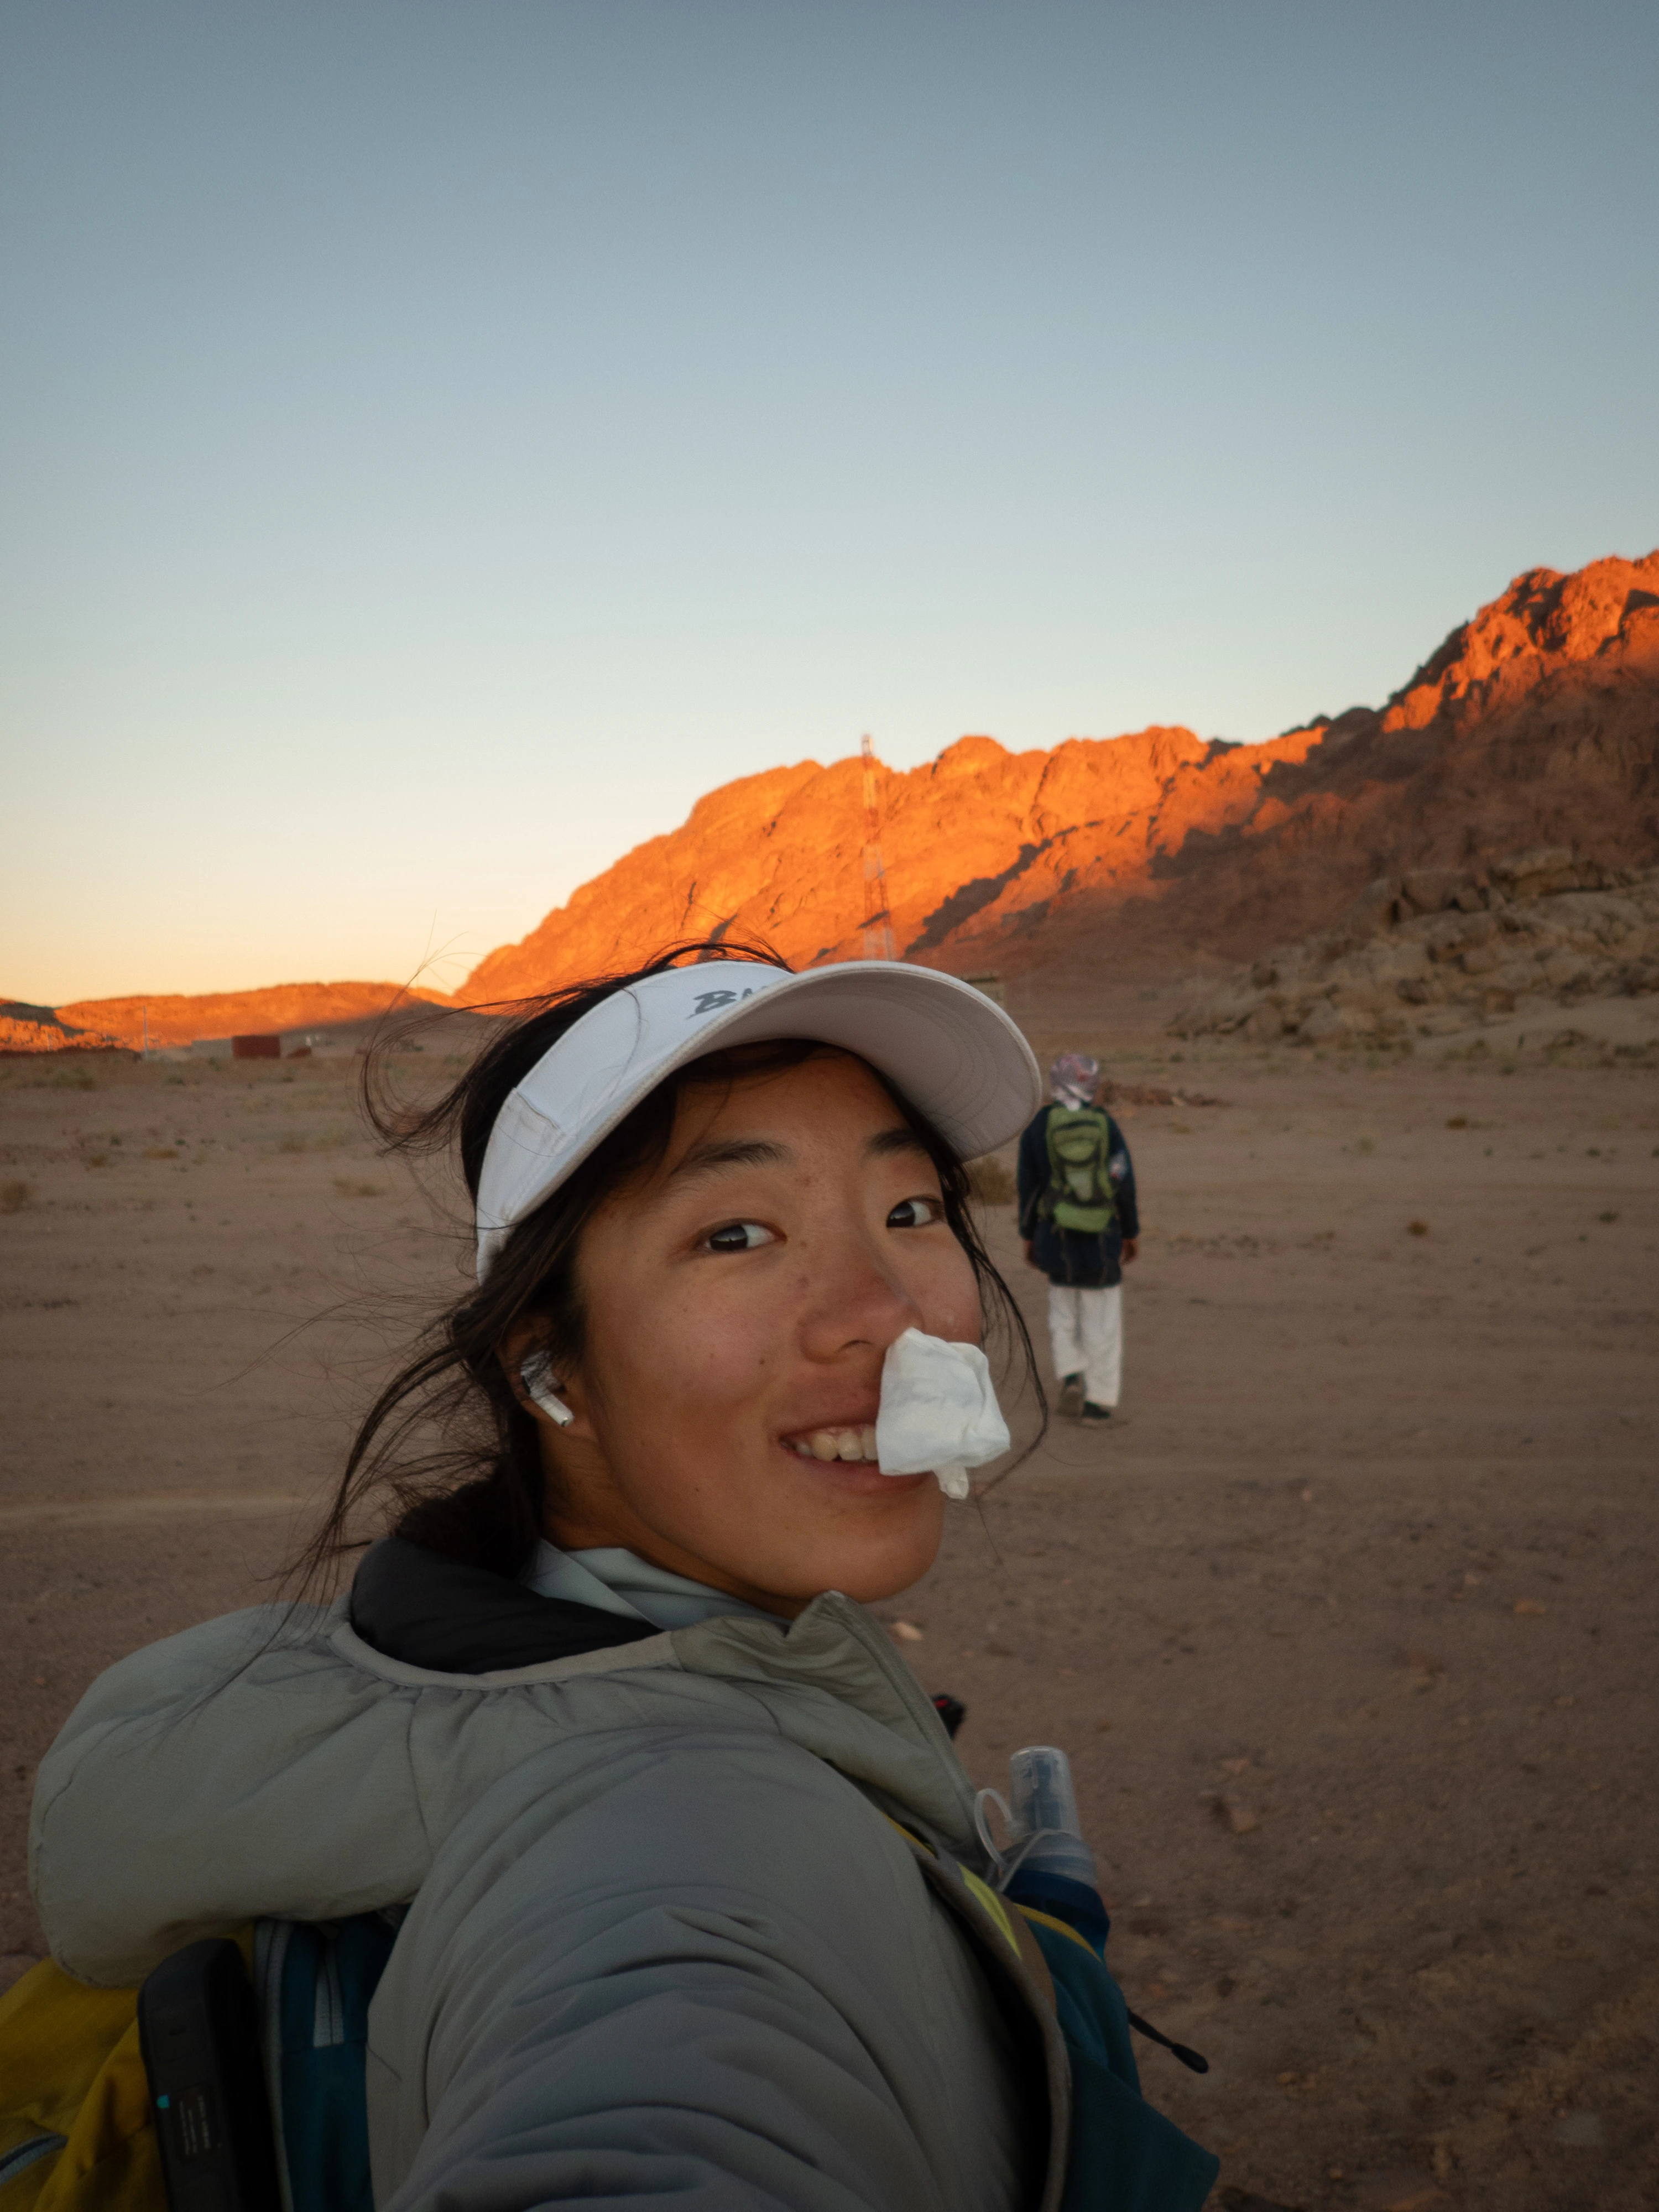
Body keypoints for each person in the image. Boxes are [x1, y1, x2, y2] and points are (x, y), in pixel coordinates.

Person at [28, 949, 1213, 2211]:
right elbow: (668, 2055)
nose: (884, 1311)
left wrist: (1013, 1957)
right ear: (547, 1370)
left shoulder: (444, 1665)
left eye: (909, 1210)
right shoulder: (680, 1847)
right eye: (736, 1232)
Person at [1016, 1052, 1139, 1426]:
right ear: (1092, 1086)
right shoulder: (1106, 1125)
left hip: (1056, 1238)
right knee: (1102, 1322)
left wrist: (1028, 1236)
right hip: (1102, 1238)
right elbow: (1122, 1181)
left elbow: (1028, 1187)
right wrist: (1130, 1232)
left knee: (1063, 1313)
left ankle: (1071, 1375)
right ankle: (1098, 1405)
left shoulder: (1039, 1127)